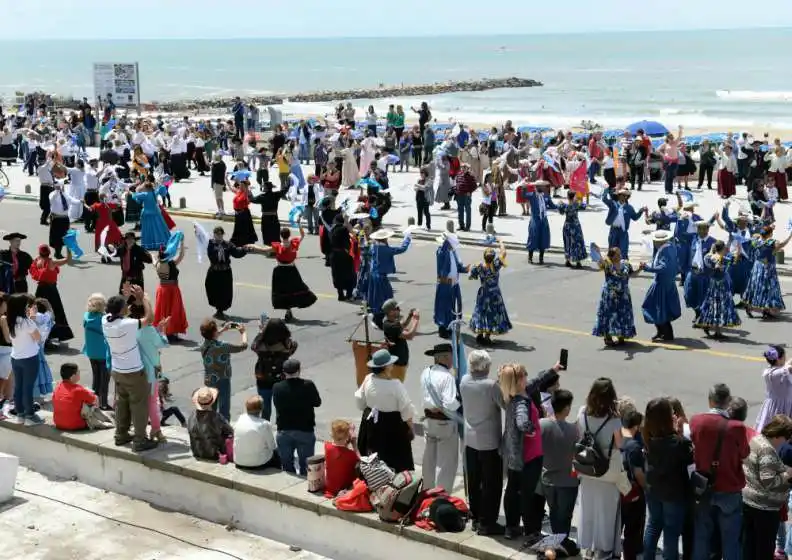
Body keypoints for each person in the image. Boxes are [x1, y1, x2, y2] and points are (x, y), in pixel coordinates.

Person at [501, 362, 563, 543]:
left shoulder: (515, 393)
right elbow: (522, 422)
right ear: (519, 380)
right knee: (528, 494)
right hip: (529, 456)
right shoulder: (522, 402)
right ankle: (530, 531)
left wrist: (553, 369)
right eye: (524, 374)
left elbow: (537, 381)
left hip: (514, 455)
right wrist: (531, 428)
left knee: (512, 490)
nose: (528, 376)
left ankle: (511, 527)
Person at [689, 383, 750, 560]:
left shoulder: (696, 421)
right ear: (728, 401)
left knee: (702, 537)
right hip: (730, 489)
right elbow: (745, 454)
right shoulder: (737, 427)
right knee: (731, 540)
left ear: (710, 401)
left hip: (703, 487)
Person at [102, 290, 158, 451]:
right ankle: (140, 440)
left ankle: (121, 434)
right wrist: (145, 299)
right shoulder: (128, 324)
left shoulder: (105, 320)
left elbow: (116, 308)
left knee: (122, 403)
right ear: (121, 310)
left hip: (117, 369)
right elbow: (149, 319)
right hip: (134, 371)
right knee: (139, 405)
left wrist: (125, 297)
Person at [575, 377, 624, 559]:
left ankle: (588, 546)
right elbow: (620, 443)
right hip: (608, 471)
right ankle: (604, 548)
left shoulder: (581, 413)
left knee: (588, 508)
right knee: (607, 511)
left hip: (587, 467)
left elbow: (579, 434)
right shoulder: (614, 420)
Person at [641, 397, 694, 560]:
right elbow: (690, 461)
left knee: (653, 525)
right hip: (674, 493)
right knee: (671, 533)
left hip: (654, 489)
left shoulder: (648, 437)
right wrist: (680, 433)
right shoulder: (678, 443)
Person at [461, 350, 505, 536]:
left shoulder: (464, 381)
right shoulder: (491, 385)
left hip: (471, 438)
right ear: (486, 366)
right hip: (489, 441)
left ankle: (476, 517)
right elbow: (505, 403)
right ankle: (488, 522)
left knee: (474, 481)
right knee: (492, 484)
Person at [355, 349, 415, 472]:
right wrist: (411, 429)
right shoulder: (395, 385)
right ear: (386, 367)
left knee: (374, 457)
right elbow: (406, 410)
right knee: (396, 462)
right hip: (393, 427)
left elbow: (360, 402)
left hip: (373, 425)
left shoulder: (368, 379)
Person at [742, 414, 792, 560]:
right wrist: (787, 475)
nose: (785, 442)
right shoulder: (767, 450)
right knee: (764, 549)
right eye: (785, 438)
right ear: (778, 435)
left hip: (749, 501)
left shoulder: (756, 440)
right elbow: (768, 481)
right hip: (764, 509)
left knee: (749, 546)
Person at [539, 389, 580, 555]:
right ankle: (560, 543)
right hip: (567, 482)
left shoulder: (542, 424)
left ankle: (556, 541)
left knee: (554, 512)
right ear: (566, 408)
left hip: (547, 479)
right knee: (565, 515)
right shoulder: (573, 430)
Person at [419, 343, 461, 493]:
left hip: (429, 421)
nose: (452, 361)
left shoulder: (426, 373)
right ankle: (441, 496)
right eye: (451, 358)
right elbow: (449, 404)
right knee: (446, 464)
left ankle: (427, 493)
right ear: (445, 357)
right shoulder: (447, 377)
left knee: (429, 461)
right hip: (444, 423)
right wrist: (459, 401)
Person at [272, 359, 321, 476]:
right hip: (305, 429)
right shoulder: (308, 385)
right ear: (299, 371)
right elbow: (317, 402)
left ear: (284, 372)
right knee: (307, 465)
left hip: (284, 430)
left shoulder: (277, 387)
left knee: (287, 466)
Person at [0, 293, 43, 425]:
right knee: (28, 387)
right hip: (30, 358)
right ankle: (30, 415)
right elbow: (38, 338)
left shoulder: (9, 320)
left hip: (16, 357)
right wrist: (33, 319)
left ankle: (20, 414)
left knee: (19, 386)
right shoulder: (28, 322)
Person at [199, 318, 248, 421]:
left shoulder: (203, 345)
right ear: (214, 332)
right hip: (223, 379)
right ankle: (224, 430)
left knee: (211, 406)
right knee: (224, 408)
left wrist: (222, 330)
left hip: (209, 379)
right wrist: (243, 333)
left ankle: (211, 428)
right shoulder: (223, 346)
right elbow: (243, 346)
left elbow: (211, 338)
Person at [592, 246, 642, 346]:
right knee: (609, 315)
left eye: (620, 253)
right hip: (610, 295)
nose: (620, 255)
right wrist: (598, 253)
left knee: (623, 316)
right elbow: (600, 263)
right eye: (617, 254)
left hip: (623, 295)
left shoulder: (625, 264)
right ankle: (608, 337)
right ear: (612, 256)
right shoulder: (608, 264)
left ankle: (621, 335)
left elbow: (632, 274)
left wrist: (640, 269)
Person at [251, 317, 297, 421]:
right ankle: (281, 427)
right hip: (281, 378)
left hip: (263, 378)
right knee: (281, 406)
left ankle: (265, 427)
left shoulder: (261, 344)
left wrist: (261, 332)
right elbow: (294, 347)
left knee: (265, 407)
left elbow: (253, 346)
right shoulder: (286, 344)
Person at [269, 225, 317, 322]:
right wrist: (299, 224)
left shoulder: (278, 246)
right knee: (294, 290)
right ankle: (288, 311)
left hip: (280, 271)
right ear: (289, 235)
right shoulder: (293, 244)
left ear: (281, 236)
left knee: (283, 291)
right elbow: (302, 235)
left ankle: (288, 310)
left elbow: (264, 250)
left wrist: (252, 248)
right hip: (291, 270)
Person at [743, 224, 791, 319]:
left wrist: (768, 230)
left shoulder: (756, 241)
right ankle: (764, 309)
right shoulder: (771, 242)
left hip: (757, 266)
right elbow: (781, 245)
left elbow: (753, 240)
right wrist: (790, 236)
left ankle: (759, 308)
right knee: (768, 288)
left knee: (756, 286)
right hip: (768, 268)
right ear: (770, 234)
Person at [468, 242, 512, 345]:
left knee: (481, 312)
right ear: (493, 258)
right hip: (494, 294)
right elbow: (504, 252)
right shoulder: (496, 265)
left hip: (483, 293)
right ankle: (487, 337)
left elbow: (471, 276)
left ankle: (480, 334)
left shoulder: (479, 266)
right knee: (492, 314)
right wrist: (500, 242)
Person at [642, 230, 681, 342]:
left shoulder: (665, 251)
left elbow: (663, 267)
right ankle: (662, 332)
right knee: (661, 309)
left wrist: (648, 268)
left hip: (661, 284)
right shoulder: (670, 248)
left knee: (655, 308)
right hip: (667, 282)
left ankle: (666, 333)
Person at [29, 244, 73, 343]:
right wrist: (69, 247)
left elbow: (33, 273)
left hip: (40, 289)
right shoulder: (51, 262)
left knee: (39, 310)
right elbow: (67, 260)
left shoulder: (37, 261)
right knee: (56, 310)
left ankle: (40, 335)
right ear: (49, 252)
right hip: (51, 290)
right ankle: (53, 335)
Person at [204, 226, 249, 320]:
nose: (218, 236)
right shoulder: (211, 244)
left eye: (220, 234)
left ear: (222, 235)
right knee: (213, 290)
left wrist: (245, 249)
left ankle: (220, 310)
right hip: (214, 272)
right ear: (214, 235)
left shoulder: (228, 245)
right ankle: (218, 309)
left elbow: (236, 253)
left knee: (225, 292)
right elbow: (211, 256)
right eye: (216, 234)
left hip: (225, 273)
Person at [367, 228, 411, 319]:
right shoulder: (386, 249)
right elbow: (402, 249)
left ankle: (379, 311)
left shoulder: (374, 247)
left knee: (376, 295)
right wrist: (407, 238)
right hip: (380, 276)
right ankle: (382, 313)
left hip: (373, 274)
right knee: (387, 294)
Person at [434, 231, 468, 339]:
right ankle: (442, 328)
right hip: (445, 284)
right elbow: (442, 272)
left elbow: (457, 266)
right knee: (443, 307)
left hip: (453, 284)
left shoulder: (453, 252)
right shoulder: (441, 252)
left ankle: (448, 326)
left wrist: (465, 269)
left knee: (452, 306)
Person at [232, 395, 281, 470]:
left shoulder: (240, 419)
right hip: (258, 463)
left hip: (239, 461)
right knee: (277, 454)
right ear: (261, 409)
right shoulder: (264, 424)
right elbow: (272, 446)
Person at [153, 241, 188, 341]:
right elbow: (181, 256)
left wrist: (153, 256)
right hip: (172, 289)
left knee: (163, 310)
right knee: (173, 311)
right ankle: (171, 333)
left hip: (162, 289)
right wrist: (181, 244)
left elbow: (153, 260)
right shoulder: (171, 263)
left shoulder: (158, 263)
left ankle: (165, 332)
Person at [187, 387, 234, 460]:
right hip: (213, 453)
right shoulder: (216, 417)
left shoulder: (191, 416)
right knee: (228, 435)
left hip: (196, 452)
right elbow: (230, 431)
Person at [379, 298, 419, 383]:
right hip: (397, 364)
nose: (399, 310)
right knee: (397, 386)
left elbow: (402, 325)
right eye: (397, 309)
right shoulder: (391, 325)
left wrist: (410, 316)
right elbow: (410, 336)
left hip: (399, 362)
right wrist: (416, 319)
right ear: (390, 312)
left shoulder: (390, 322)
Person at [82, 293, 111, 410]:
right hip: (103, 353)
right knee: (104, 380)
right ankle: (103, 403)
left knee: (96, 378)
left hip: (91, 352)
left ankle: (94, 401)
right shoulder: (103, 319)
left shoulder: (86, 316)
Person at [52, 363, 98, 431]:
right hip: (75, 424)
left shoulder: (57, 387)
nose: (79, 374)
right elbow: (94, 400)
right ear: (73, 376)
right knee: (94, 399)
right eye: (78, 373)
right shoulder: (78, 389)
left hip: (58, 423)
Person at [602, 188, 646, 258]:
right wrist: (606, 190)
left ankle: (623, 266)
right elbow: (604, 199)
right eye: (622, 195)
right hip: (613, 231)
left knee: (623, 251)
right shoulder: (613, 204)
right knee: (612, 251)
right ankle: (610, 267)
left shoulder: (629, 208)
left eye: (626, 195)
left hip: (623, 232)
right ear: (619, 196)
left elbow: (635, 217)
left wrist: (640, 211)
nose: (624, 197)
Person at [323, 419, 359, 497]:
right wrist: (354, 444)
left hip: (330, 488)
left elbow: (339, 449)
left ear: (332, 435)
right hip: (344, 487)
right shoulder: (351, 454)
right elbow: (361, 460)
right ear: (347, 437)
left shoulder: (327, 446)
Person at [132, 182, 171, 250]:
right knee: (159, 228)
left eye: (144, 187)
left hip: (147, 214)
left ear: (146, 188)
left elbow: (134, 196)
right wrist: (159, 184)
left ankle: (150, 244)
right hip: (156, 213)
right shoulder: (154, 193)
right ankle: (162, 242)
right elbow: (163, 189)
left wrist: (137, 190)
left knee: (148, 229)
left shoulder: (144, 194)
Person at [525, 181, 557, 264]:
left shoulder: (546, 196)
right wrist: (523, 186)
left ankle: (541, 258)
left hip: (544, 220)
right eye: (540, 186)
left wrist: (561, 206)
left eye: (543, 186)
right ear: (536, 187)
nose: (542, 188)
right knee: (533, 237)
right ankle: (530, 257)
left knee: (544, 238)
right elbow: (523, 195)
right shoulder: (532, 195)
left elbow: (552, 205)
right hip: (535, 220)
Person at [47, 181, 80, 259]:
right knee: (57, 236)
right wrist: (57, 191)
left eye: (61, 186)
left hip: (65, 218)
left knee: (64, 236)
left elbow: (72, 201)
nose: (61, 187)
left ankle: (59, 252)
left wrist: (80, 201)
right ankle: (57, 253)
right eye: (58, 186)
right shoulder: (52, 194)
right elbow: (52, 199)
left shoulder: (65, 194)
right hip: (56, 219)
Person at [328, 214, 356, 301]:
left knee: (337, 275)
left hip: (334, 255)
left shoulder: (331, 229)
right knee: (349, 274)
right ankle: (349, 294)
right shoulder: (343, 229)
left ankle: (340, 294)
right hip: (344, 255)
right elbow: (349, 239)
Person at [558, 190, 587, 268]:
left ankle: (567, 260)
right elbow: (584, 206)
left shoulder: (565, 206)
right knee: (577, 243)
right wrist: (580, 200)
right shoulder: (576, 205)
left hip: (567, 226)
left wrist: (560, 203)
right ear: (574, 197)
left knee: (568, 243)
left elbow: (560, 211)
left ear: (567, 197)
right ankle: (578, 262)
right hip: (575, 226)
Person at [228, 179, 258, 246]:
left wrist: (246, 186)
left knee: (244, 228)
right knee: (238, 228)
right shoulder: (238, 191)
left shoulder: (247, 192)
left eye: (242, 185)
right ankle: (237, 241)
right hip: (237, 213)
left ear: (245, 186)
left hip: (244, 213)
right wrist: (226, 179)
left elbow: (250, 197)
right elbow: (230, 187)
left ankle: (245, 242)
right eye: (240, 185)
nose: (240, 186)